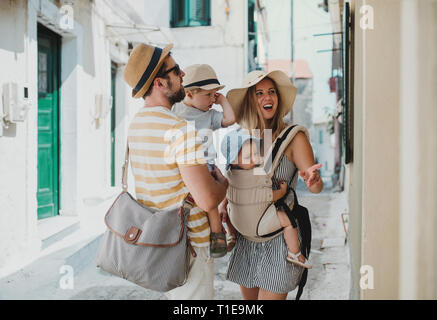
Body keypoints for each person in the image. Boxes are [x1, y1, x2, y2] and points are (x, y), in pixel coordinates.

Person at [123, 43, 228, 300]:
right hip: (189, 242)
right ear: (160, 83)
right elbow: (207, 199)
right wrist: (223, 184)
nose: (182, 75)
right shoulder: (180, 129)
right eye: (176, 70)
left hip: (158, 238)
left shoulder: (136, 124)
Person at [220, 70, 323, 300]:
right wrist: (224, 204)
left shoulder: (294, 137)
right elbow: (236, 180)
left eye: (272, 92)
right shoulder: (240, 138)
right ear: (249, 99)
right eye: (259, 93)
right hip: (247, 236)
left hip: (279, 237)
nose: (268, 98)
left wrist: (314, 181)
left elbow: (316, 187)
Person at [220, 129, 312, 269]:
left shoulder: (229, 174)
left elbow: (226, 193)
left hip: (238, 224)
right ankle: (294, 253)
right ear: (233, 160)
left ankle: (232, 236)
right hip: (258, 225)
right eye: (248, 157)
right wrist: (281, 192)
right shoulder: (256, 175)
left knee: (229, 210)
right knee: (287, 220)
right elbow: (267, 196)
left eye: (256, 154)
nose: (255, 159)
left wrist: (223, 205)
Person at [172, 64, 236, 258]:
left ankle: (217, 232)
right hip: (182, 165)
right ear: (189, 94)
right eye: (208, 95)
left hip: (206, 165)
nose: (212, 100)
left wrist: (222, 100)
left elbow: (230, 119)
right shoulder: (176, 110)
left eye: (214, 94)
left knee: (211, 204)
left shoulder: (209, 116)